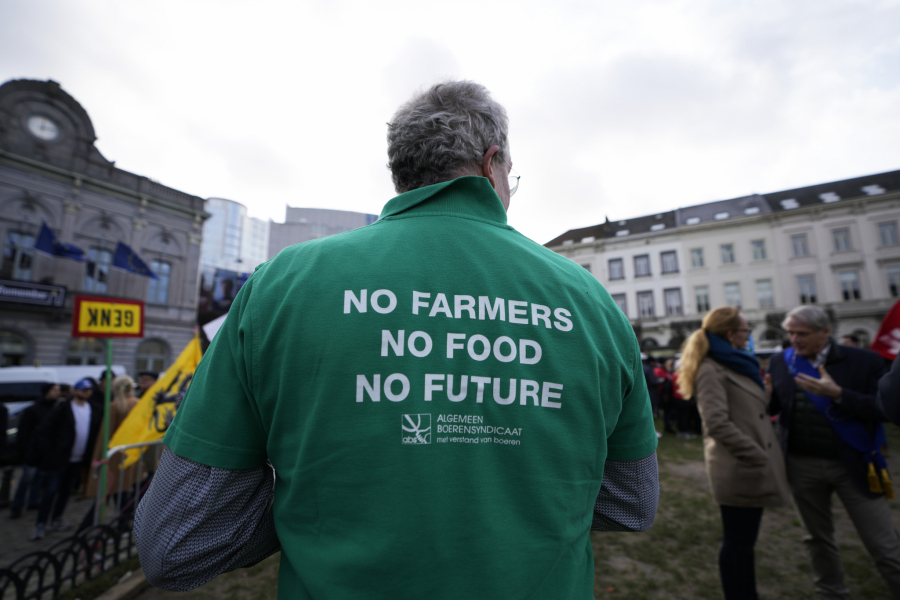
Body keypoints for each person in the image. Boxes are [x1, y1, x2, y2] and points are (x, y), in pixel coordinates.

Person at [134, 80, 660, 599]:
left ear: (401, 172)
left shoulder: (285, 283)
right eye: (511, 176)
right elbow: (630, 503)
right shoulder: (590, 302)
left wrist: (321, 500)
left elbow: (175, 542)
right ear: (490, 163)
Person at [768, 305, 900, 598]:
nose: (794, 340)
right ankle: (831, 593)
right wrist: (765, 401)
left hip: (853, 463)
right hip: (801, 465)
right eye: (790, 333)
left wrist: (838, 395)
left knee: (884, 544)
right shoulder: (780, 361)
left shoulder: (864, 360)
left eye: (802, 333)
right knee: (816, 539)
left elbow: (884, 409)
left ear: (825, 332)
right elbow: (778, 408)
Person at [677, 307, 790, 600]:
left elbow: (749, 411)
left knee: (744, 542)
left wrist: (764, 394)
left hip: (750, 462)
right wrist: (756, 455)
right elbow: (716, 422)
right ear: (731, 334)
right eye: (745, 330)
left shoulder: (738, 363)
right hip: (740, 466)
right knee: (738, 543)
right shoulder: (712, 368)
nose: (748, 335)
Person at [29, 378, 101, 540]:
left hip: (78, 459)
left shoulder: (94, 409)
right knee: (50, 492)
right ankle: (40, 523)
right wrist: (51, 452)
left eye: (89, 390)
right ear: (74, 391)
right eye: (83, 390)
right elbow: (44, 431)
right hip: (60, 459)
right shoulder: (63, 408)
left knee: (65, 492)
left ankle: (57, 519)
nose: (87, 393)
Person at [79, 375, 141, 532]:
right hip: (131, 454)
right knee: (120, 491)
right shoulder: (138, 404)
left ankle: (85, 529)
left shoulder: (115, 406)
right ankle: (122, 524)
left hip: (114, 456)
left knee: (106, 492)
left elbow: (104, 435)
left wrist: (97, 457)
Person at [9, 383, 59, 519]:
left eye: (58, 390)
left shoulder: (54, 409)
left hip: (46, 451)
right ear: (47, 391)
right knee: (27, 479)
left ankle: (33, 501)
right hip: (33, 452)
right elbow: (23, 432)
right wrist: (24, 451)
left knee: (39, 478)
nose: (57, 393)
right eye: (54, 390)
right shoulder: (33, 410)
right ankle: (17, 506)